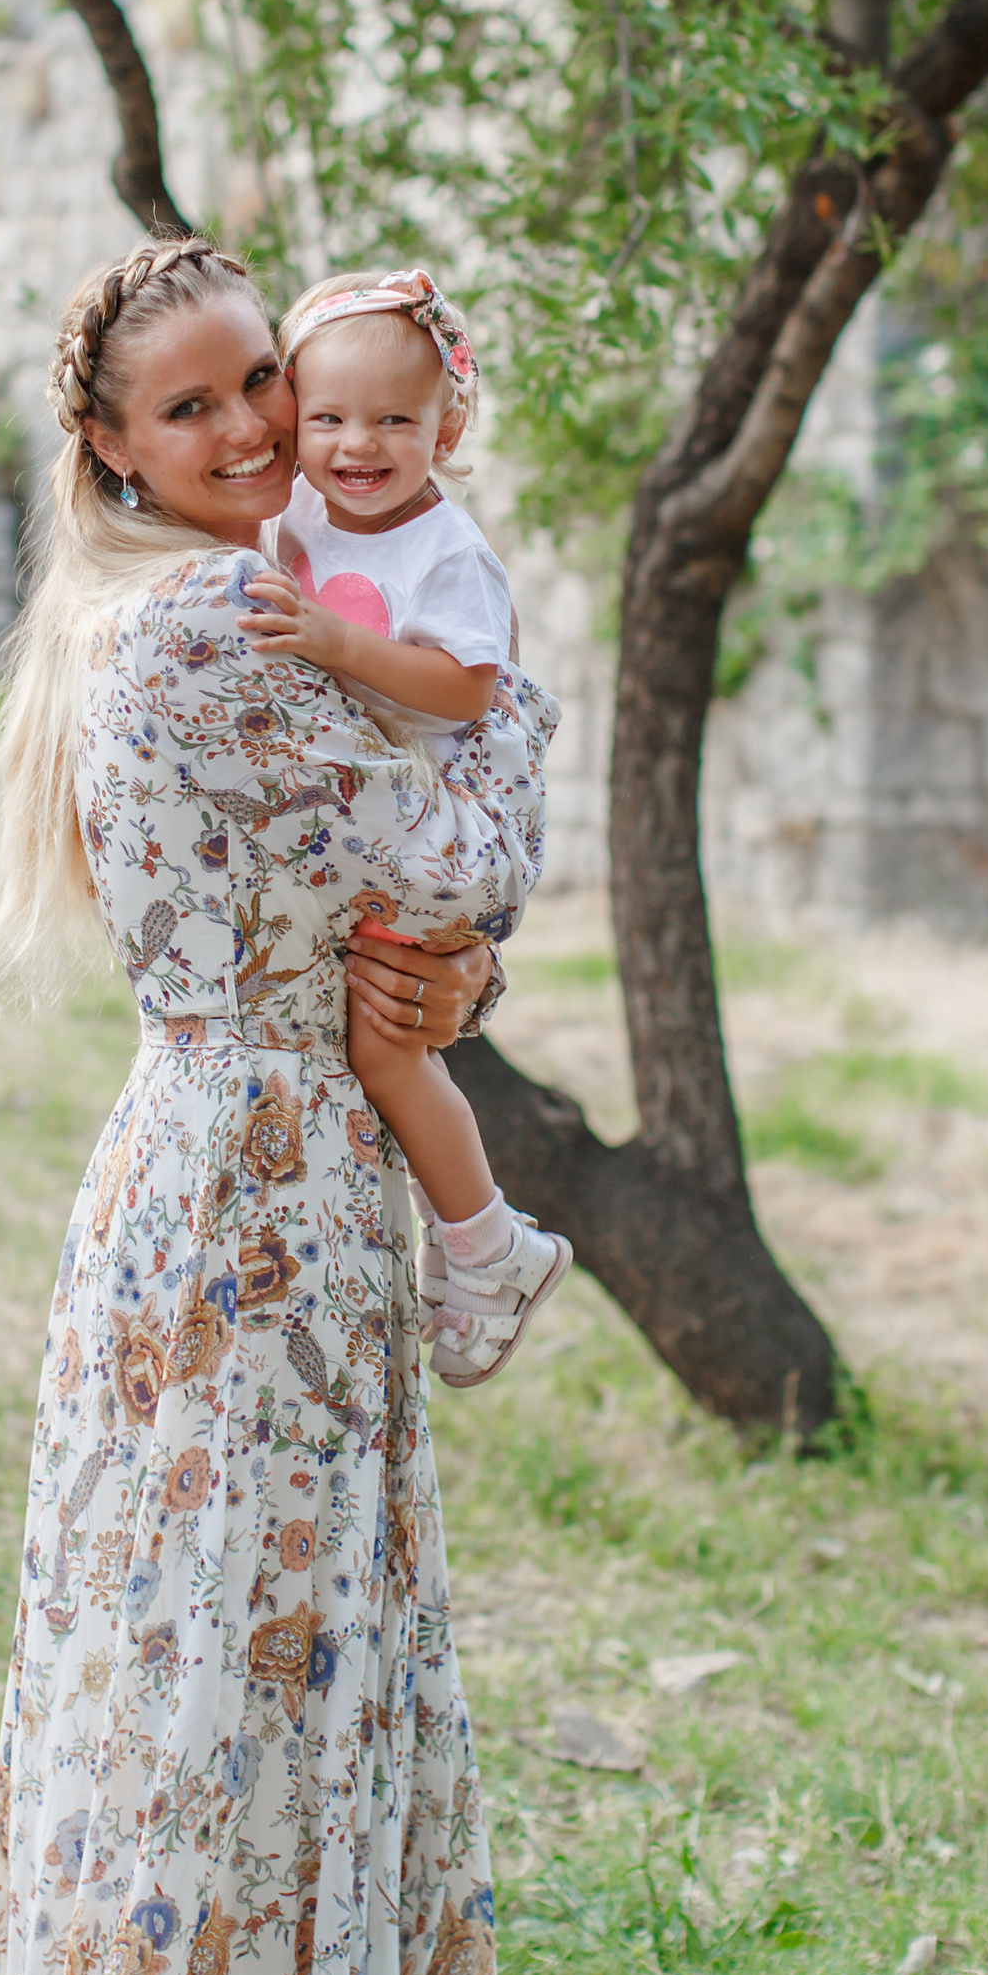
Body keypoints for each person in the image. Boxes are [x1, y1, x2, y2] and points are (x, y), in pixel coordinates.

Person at [0, 234, 557, 1975]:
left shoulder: (230, 601)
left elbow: (404, 889)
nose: (247, 435)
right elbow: (461, 847)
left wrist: (450, 960)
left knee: (271, 1672)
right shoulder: (214, 616)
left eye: (255, 391)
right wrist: (475, 893)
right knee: (216, 1697)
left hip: (268, 1164)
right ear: (107, 447)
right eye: (187, 408)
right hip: (248, 1200)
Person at [241, 267, 572, 1390]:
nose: (357, 444)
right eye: (327, 417)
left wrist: (337, 647)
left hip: (428, 834)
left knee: (387, 1043)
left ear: (450, 422)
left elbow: (463, 688)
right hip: (361, 828)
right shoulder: (298, 514)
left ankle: (487, 1247)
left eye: (394, 419)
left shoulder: (444, 552)